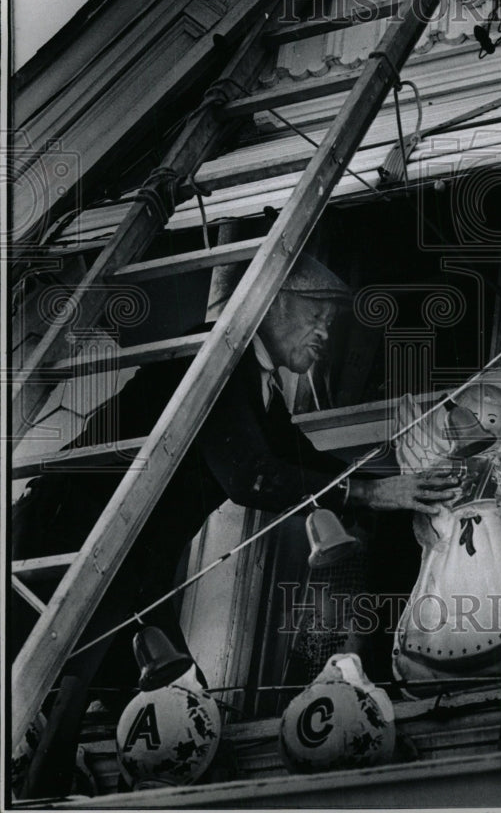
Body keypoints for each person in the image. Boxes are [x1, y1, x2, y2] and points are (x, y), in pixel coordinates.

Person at [11, 253, 459, 795]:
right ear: (272, 301)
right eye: (317, 314)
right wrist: (366, 491)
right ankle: (40, 784)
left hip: (127, 572)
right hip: (69, 545)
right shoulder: (216, 358)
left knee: (170, 702)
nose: (324, 332)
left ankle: (51, 778)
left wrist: (389, 490)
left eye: (332, 323)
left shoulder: (256, 379)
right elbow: (253, 476)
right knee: (81, 687)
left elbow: (297, 456)